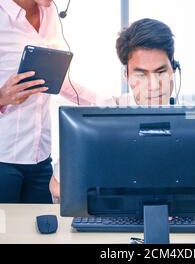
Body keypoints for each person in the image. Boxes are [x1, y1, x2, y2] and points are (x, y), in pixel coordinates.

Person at [0, 0, 101, 203]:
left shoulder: (50, 14)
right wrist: (2, 96)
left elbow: (57, 80)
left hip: (40, 159)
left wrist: (105, 105)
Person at [49, 17, 181, 199]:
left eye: (160, 72)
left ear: (173, 69)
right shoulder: (102, 114)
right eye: (141, 75)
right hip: (114, 217)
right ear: (126, 76)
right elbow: (58, 186)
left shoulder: (191, 121)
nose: (154, 86)